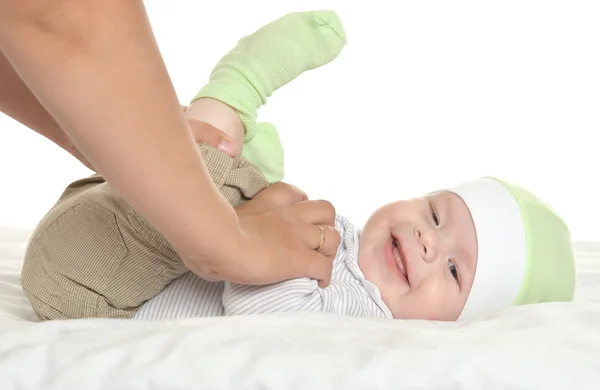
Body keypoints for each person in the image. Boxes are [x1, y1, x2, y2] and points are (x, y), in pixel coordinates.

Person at [19, 9, 349, 320]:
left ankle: (232, 142)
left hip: (86, 281)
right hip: (102, 252)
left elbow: (259, 304)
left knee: (183, 176)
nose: (403, 224)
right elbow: (50, 19)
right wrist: (226, 244)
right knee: (191, 181)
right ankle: (233, 97)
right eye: (405, 205)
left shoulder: (369, 309)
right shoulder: (349, 247)